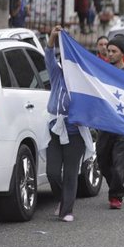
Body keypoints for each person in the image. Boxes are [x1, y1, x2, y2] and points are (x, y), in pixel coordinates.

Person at [44, 27, 94, 222]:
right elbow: (48, 56)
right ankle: (61, 200)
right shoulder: (57, 74)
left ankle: (67, 210)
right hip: (55, 130)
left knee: (71, 173)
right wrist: (53, 37)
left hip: (75, 133)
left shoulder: (85, 83)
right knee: (52, 171)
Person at [96, 35, 124, 209]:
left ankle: (116, 196)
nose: (110, 54)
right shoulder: (101, 70)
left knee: (119, 162)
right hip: (105, 124)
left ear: (122, 54)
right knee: (103, 161)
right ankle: (115, 185)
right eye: (108, 51)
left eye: (114, 51)